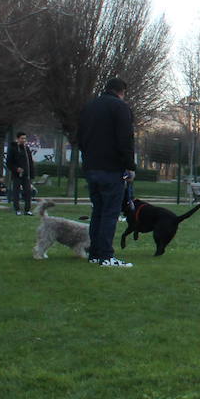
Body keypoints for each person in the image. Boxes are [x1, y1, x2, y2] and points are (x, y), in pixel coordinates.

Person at [77, 77, 137, 268]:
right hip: (111, 168)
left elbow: (81, 137)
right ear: (122, 91)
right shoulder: (120, 108)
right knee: (110, 213)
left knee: (98, 212)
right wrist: (130, 166)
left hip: (91, 167)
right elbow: (125, 139)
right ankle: (106, 256)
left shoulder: (89, 107)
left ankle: (94, 253)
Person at [6, 131, 36, 216]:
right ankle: (17, 209)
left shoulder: (26, 149)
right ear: (18, 139)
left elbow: (30, 162)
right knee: (16, 192)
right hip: (17, 175)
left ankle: (27, 210)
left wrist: (32, 174)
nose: (24, 140)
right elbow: (9, 163)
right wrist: (16, 169)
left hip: (26, 175)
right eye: (22, 138)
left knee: (28, 192)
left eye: (25, 138)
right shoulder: (13, 148)